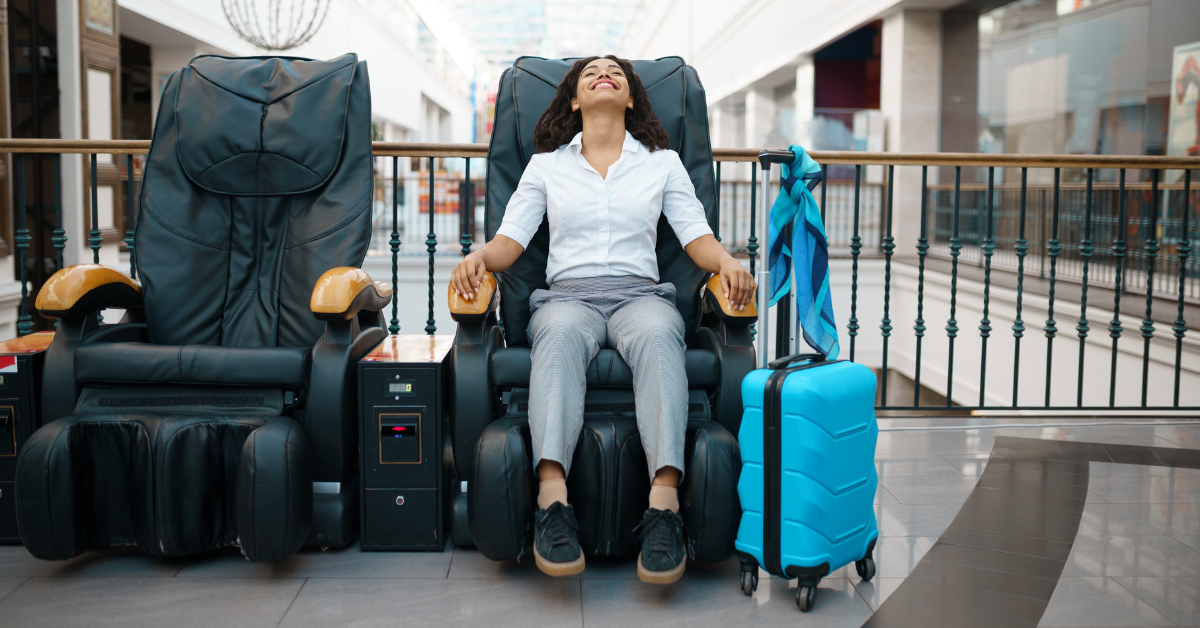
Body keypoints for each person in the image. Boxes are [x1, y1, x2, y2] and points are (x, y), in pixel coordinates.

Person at [450, 55, 755, 584]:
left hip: (642, 296)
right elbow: (512, 239)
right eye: (589, 72)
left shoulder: (662, 162)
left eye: (614, 70)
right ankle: (552, 503)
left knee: (663, 335)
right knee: (561, 335)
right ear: (574, 99)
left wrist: (727, 261)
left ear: (632, 98)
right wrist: (480, 257)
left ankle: (664, 508)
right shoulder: (546, 165)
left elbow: (693, 234)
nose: (602, 73)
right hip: (570, 296)